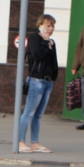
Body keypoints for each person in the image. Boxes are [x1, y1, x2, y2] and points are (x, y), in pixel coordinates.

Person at [19, 14, 58, 153]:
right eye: (48, 25)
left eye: (52, 26)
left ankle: (35, 142)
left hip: (47, 81)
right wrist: (44, 42)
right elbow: (37, 55)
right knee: (29, 112)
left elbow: (53, 61)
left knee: (38, 115)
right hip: (36, 80)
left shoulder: (51, 42)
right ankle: (20, 141)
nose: (51, 28)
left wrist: (54, 76)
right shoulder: (35, 38)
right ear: (40, 25)